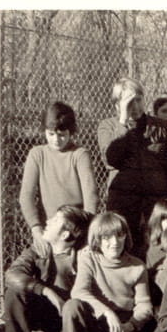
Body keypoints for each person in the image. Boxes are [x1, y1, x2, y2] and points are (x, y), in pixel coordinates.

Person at [61, 212, 153, 332]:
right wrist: (107, 312)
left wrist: (131, 326)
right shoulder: (88, 257)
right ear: (97, 239)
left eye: (119, 235)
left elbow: (145, 305)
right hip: (95, 320)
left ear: (126, 236)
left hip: (122, 324)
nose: (114, 242)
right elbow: (79, 291)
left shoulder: (137, 266)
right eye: (106, 237)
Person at [1, 205, 92, 332]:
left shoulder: (85, 255)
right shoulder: (39, 250)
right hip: (47, 313)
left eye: (56, 220)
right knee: (14, 292)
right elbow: (11, 275)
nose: (48, 222)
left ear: (65, 235)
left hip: (72, 319)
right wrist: (46, 291)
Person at [97, 77, 167, 258]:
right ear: (117, 104)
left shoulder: (159, 126)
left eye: (138, 100)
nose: (135, 106)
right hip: (123, 201)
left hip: (155, 201)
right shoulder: (108, 126)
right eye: (129, 102)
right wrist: (122, 122)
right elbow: (111, 159)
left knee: (156, 250)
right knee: (124, 248)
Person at [19, 102, 98, 254]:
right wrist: (36, 229)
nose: (56, 139)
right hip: (48, 229)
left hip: (76, 230)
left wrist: (88, 231)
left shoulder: (79, 154)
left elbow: (91, 195)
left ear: (71, 131)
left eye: (62, 135)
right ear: (44, 131)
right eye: (51, 134)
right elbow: (26, 195)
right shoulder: (37, 154)